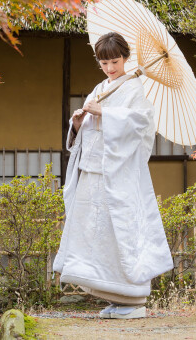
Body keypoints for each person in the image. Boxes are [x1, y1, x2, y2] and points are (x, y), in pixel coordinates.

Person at [53, 32, 173, 319]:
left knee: (119, 230)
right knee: (94, 233)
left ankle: (132, 299)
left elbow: (141, 124)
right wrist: (79, 122)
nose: (110, 68)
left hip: (117, 175)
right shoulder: (100, 87)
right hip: (93, 171)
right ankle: (113, 297)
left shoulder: (133, 88)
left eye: (115, 61)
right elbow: (88, 127)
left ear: (125, 58)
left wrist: (106, 112)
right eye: (104, 63)